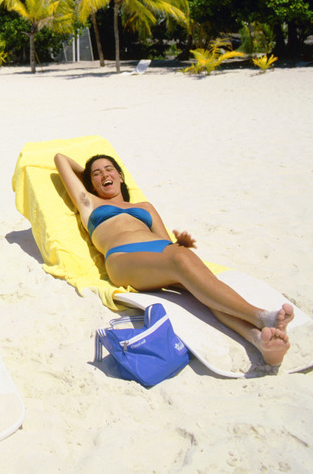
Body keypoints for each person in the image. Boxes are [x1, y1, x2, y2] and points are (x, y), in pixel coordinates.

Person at [54, 152, 293, 367]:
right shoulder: (89, 202)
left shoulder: (144, 206)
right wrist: (88, 175)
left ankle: (258, 340)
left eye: (109, 170)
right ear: (90, 183)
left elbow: (166, 242)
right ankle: (261, 316)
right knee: (182, 261)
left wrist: (181, 259)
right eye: (97, 173)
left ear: (120, 176)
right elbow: (60, 159)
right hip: (123, 257)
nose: (104, 174)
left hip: (162, 254)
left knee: (203, 287)